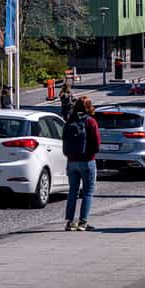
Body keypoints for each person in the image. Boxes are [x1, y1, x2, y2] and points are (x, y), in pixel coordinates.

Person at [62, 95, 101, 231]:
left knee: (73, 191)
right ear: (89, 107)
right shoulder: (90, 122)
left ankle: (70, 222)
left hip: (72, 162)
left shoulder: (69, 121)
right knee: (88, 192)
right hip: (87, 161)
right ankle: (83, 222)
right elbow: (96, 143)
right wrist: (91, 153)